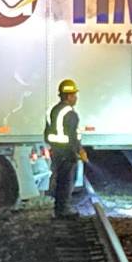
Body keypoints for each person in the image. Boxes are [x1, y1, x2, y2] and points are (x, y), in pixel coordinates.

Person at [44, 78, 87, 219]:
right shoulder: (70, 113)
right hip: (67, 153)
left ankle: (59, 208)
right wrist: (80, 151)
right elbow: (72, 136)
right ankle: (64, 210)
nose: (76, 98)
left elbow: (47, 133)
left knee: (60, 181)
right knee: (67, 181)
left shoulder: (53, 110)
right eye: (74, 95)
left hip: (56, 151)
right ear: (68, 96)